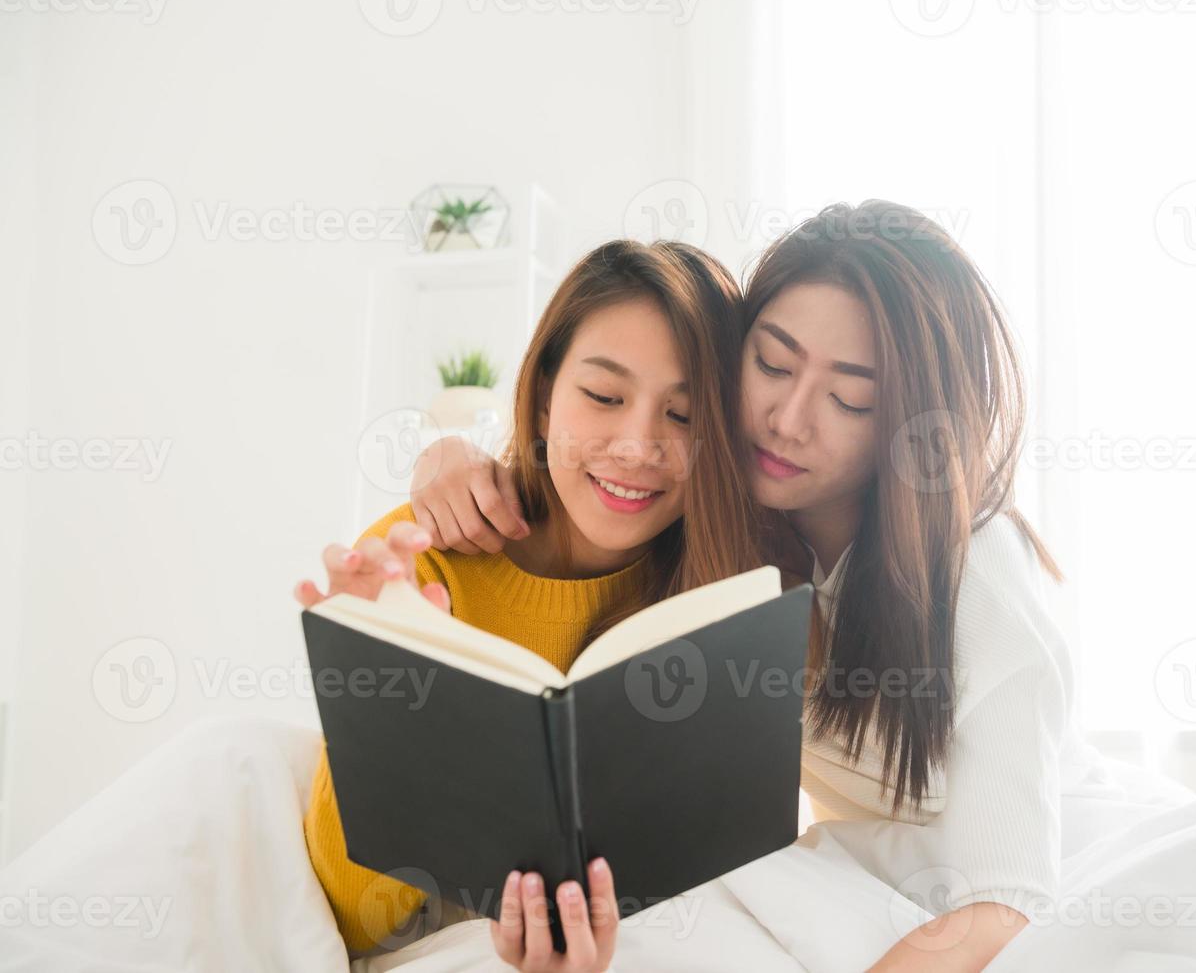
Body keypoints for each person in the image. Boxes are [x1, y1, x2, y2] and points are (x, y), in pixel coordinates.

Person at [410, 201, 1086, 970]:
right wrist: (449, 461)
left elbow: (1008, 905)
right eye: (771, 364)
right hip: (835, 876)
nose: (787, 420)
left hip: (993, 875)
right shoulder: (721, 518)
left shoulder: (975, 570)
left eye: (850, 398)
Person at [293, 238, 762, 969]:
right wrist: (382, 706)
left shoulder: (723, 600)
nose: (638, 446)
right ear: (544, 399)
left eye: (685, 415)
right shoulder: (419, 556)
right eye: (603, 397)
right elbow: (356, 925)